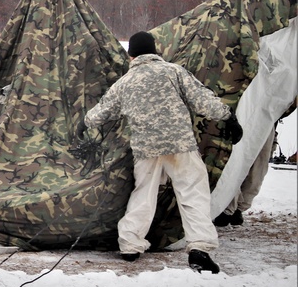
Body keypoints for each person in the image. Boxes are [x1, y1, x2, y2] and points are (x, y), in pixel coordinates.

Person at [83, 31, 242, 273]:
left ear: (131, 55)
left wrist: (84, 123)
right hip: (180, 145)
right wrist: (228, 117)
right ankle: (199, 248)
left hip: (145, 148)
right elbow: (201, 99)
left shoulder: (125, 82)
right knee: (192, 194)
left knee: (144, 194)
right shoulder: (173, 71)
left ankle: (130, 245)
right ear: (155, 51)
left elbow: (101, 112)